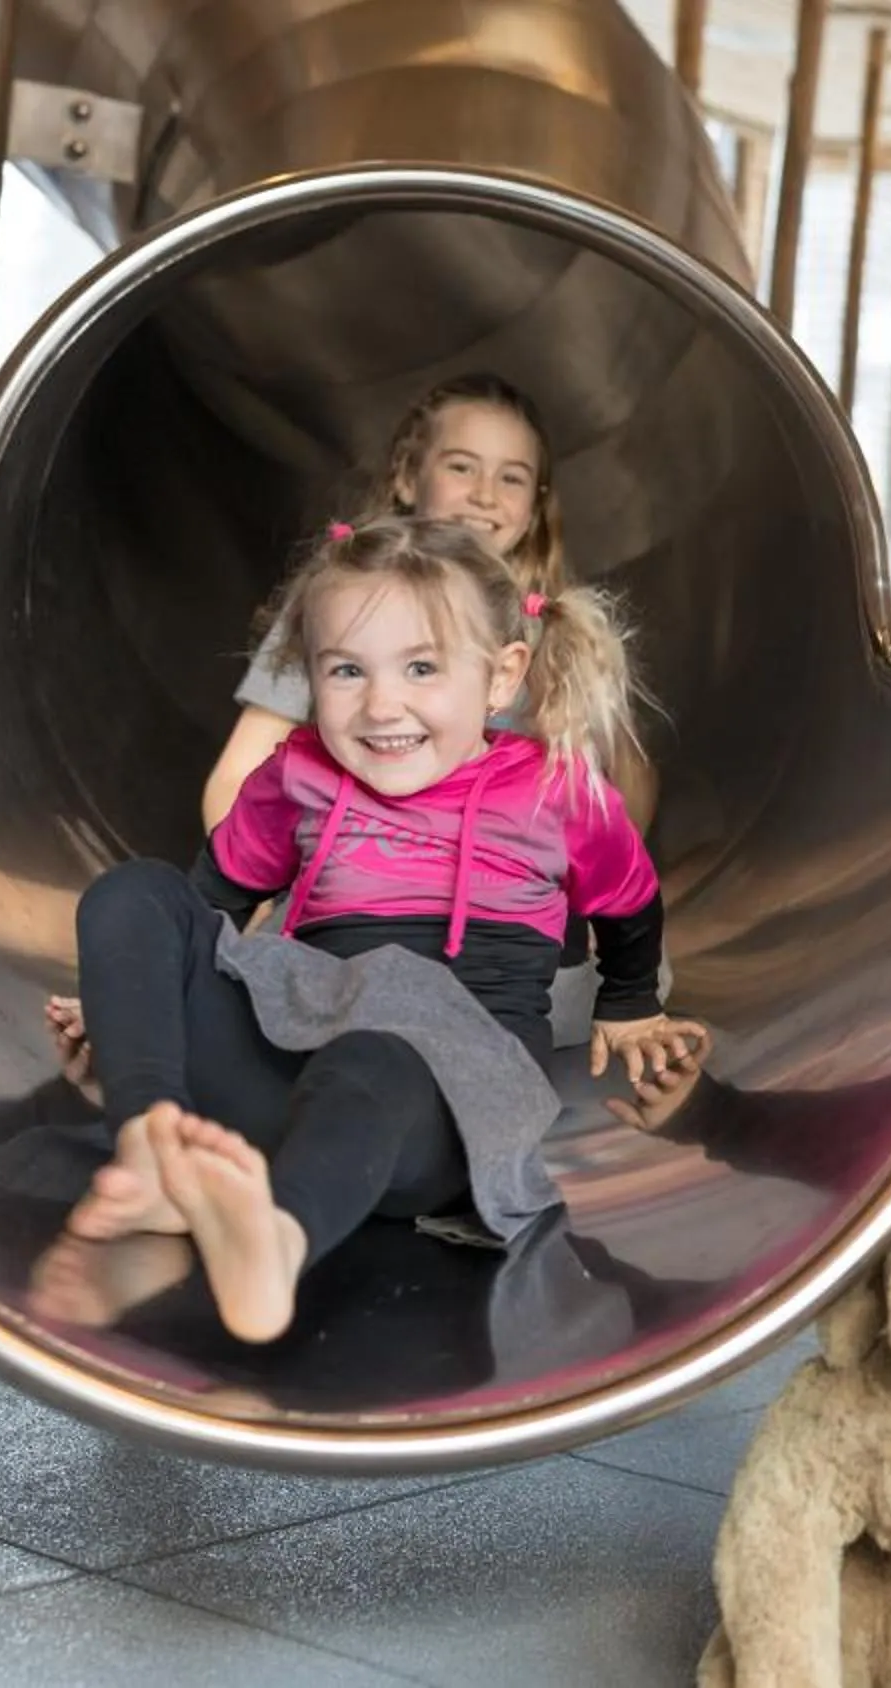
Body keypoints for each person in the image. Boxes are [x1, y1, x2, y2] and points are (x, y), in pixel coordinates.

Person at [59, 516, 709, 1343]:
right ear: (309, 675)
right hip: (292, 1057)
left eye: (423, 669)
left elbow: (628, 902)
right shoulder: (295, 774)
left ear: (503, 675)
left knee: (375, 1057)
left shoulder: (556, 791)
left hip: (441, 1100)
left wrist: (627, 1004)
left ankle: (277, 1243)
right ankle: (151, 1145)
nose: (381, 705)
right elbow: (205, 909)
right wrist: (138, 1010)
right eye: (346, 670)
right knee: (132, 891)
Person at [46, 373, 628, 1085]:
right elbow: (242, 774)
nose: (484, 493)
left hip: (483, 934)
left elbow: (603, 793)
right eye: (460, 466)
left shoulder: (549, 630)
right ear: (407, 476)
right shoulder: (342, 606)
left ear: (536, 506)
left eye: (512, 478)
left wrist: (594, 916)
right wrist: (255, 904)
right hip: (346, 898)